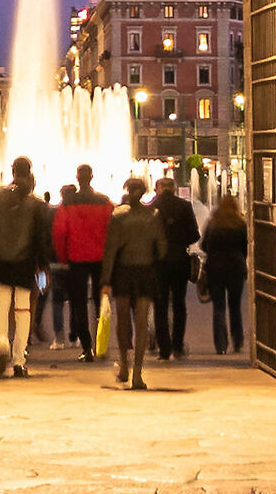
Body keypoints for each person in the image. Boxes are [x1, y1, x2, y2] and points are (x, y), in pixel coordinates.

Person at [0, 154, 50, 377]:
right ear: (29, 174)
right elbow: (41, 239)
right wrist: (43, 266)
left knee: (1, 306)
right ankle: (19, 360)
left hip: (1, 260)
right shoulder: (37, 204)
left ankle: (1, 343)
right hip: (25, 263)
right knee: (23, 309)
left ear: (12, 172)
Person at [101, 175, 163, 390]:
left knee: (123, 321)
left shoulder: (118, 216)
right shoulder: (154, 216)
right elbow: (162, 248)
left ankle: (123, 366)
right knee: (141, 323)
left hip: (123, 272)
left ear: (127, 192)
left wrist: (105, 279)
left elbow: (110, 250)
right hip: (145, 272)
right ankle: (137, 373)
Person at [51, 164, 111, 360]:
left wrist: (63, 257)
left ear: (77, 178)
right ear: (92, 177)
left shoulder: (67, 204)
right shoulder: (104, 201)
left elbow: (59, 233)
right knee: (101, 302)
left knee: (79, 303)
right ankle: (101, 343)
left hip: (76, 258)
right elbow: (112, 229)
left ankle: (87, 348)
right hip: (100, 258)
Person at [150, 172, 202, 361]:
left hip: (158, 263)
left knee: (160, 305)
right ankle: (177, 346)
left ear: (157, 189)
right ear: (174, 189)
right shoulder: (184, 206)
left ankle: (164, 349)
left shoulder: (151, 207)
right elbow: (194, 235)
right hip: (180, 260)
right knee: (179, 304)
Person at [200, 192, 249, 355]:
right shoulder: (241, 224)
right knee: (235, 307)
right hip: (236, 268)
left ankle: (221, 344)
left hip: (216, 269)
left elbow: (203, 246)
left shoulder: (213, 223)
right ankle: (238, 341)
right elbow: (245, 247)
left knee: (219, 307)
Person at [45, 184, 78, 343]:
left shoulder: (53, 213)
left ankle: (59, 338)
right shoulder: (78, 213)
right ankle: (75, 335)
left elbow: (48, 237)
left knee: (57, 301)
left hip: (55, 262)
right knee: (75, 300)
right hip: (75, 262)